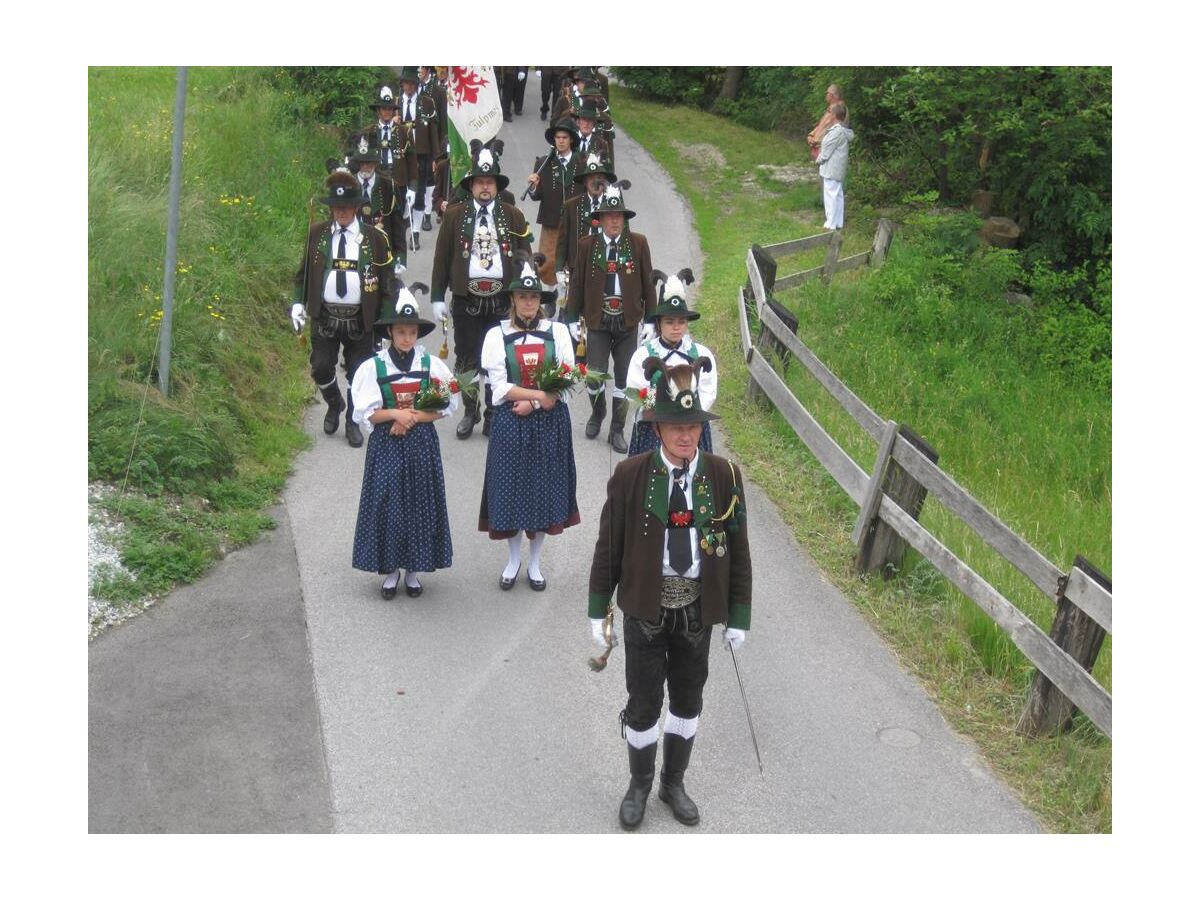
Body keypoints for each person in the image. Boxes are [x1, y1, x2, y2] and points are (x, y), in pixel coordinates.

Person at [587, 359, 751, 830]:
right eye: (676, 426)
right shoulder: (629, 475)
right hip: (644, 610)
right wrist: (598, 612)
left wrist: (738, 615)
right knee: (642, 703)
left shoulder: (724, 476)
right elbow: (608, 549)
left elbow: (738, 552)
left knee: (687, 699)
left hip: (698, 612)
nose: (686, 435)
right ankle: (638, 783)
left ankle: (672, 781)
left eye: (694, 425)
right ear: (657, 427)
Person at [479, 256, 580, 591]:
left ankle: (535, 563)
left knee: (541, 493)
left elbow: (566, 375)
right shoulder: (497, 335)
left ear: (540, 301)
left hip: (548, 423)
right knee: (510, 492)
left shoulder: (559, 332)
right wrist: (539, 395)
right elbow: (500, 387)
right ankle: (513, 559)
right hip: (511, 421)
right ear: (512, 300)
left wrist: (536, 402)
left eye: (533, 297)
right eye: (522, 297)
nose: (528, 303)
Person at [350, 289, 457, 599]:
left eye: (411, 332)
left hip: (421, 442)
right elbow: (367, 412)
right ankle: (391, 570)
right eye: (401, 332)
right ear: (390, 333)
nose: (407, 338)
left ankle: (413, 571)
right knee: (388, 503)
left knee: (419, 502)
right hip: (387, 443)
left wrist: (410, 419)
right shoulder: (374, 367)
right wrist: (396, 414)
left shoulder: (430, 364)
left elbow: (444, 407)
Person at [430, 146, 533, 439]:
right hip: (466, 298)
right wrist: (438, 296)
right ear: (472, 185)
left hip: (502, 300)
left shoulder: (513, 216)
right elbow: (442, 257)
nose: (485, 187)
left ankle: (492, 413)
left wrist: (526, 294)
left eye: (490, 182)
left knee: (498, 359)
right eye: (480, 182)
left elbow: (525, 256)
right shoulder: (454, 215)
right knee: (466, 359)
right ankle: (470, 411)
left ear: (496, 186)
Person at [291, 169, 395, 448]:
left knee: (358, 372)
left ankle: (351, 420)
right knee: (320, 367)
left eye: (347, 207)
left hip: (361, 319)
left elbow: (387, 283)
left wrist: (387, 323)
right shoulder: (317, 234)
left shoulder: (375, 238)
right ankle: (334, 403)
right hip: (325, 315)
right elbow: (304, 274)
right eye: (337, 207)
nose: (342, 212)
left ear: (357, 207)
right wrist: (297, 303)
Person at [564, 182, 654, 453]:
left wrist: (650, 320)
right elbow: (577, 283)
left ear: (624, 219)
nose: (614, 220)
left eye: (619, 216)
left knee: (625, 377)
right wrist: (571, 315)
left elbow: (648, 284)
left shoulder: (638, 243)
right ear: (600, 219)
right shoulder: (586, 245)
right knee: (594, 374)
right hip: (597, 320)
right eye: (609, 215)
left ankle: (617, 427)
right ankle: (598, 411)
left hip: (627, 321)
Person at [625, 270, 717, 456]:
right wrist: (661, 412)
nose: (676, 327)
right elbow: (634, 392)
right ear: (659, 324)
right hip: (654, 430)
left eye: (681, 322)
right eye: (669, 322)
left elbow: (708, 391)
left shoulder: (701, 353)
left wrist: (688, 414)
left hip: (691, 429)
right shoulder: (642, 355)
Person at [527, 118, 582, 294]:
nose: (560, 140)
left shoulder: (582, 163)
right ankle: (550, 293)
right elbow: (537, 196)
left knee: (573, 261)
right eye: (558, 137)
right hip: (551, 221)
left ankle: (569, 299)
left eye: (564, 137)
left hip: (575, 221)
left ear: (571, 139)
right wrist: (534, 186)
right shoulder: (544, 162)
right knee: (548, 261)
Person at [348, 135, 406, 273]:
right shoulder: (348, 185)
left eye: (369, 162)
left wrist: (400, 258)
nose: (365, 167)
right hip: (354, 252)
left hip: (383, 252)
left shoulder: (389, 186)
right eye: (362, 163)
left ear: (375, 163)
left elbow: (398, 225)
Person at [396, 67, 440, 247]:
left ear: (416, 84)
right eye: (406, 83)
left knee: (420, 194)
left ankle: (415, 235)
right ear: (402, 85)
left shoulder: (427, 103)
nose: (409, 87)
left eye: (412, 83)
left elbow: (433, 130)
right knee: (402, 194)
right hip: (400, 156)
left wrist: (436, 157)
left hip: (421, 155)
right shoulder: (395, 103)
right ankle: (400, 231)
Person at [815, 102, 854, 230]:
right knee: (837, 195)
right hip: (837, 169)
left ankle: (830, 224)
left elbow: (826, 152)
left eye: (830, 112)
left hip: (831, 169)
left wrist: (818, 159)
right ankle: (838, 222)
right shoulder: (842, 130)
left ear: (835, 115)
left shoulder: (836, 132)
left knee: (831, 195)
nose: (828, 114)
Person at [807, 84, 847, 160]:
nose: (826, 95)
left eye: (827, 93)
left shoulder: (839, 110)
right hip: (820, 145)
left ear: (833, 95)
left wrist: (816, 141)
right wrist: (811, 135)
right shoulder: (831, 108)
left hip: (826, 147)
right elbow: (821, 125)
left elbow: (831, 129)